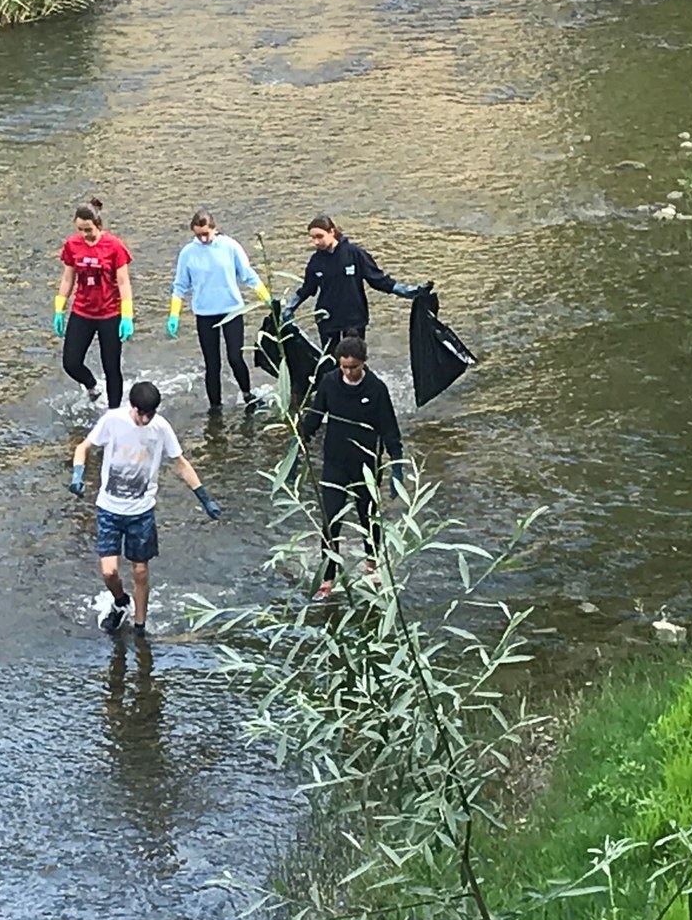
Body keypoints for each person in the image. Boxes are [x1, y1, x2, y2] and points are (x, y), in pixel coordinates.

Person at [69, 380, 222, 635]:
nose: (146, 420)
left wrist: (204, 497)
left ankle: (140, 626)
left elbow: (180, 463)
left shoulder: (160, 428)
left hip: (141, 511)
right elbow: (83, 447)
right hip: (109, 508)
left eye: (151, 415)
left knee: (140, 570)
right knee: (109, 572)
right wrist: (77, 474)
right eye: (142, 414)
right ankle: (120, 602)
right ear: (133, 407)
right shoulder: (113, 420)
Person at [298, 335, 404, 601]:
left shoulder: (376, 388)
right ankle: (328, 577)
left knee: (369, 518)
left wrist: (396, 466)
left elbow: (389, 429)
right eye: (344, 367)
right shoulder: (330, 383)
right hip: (334, 464)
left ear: (363, 363)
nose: (348, 372)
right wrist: (297, 443)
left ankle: (372, 564)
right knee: (331, 521)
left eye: (353, 367)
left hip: (366, 465)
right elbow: (314, 416)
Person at [281, 214, 430, 356]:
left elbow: (378, 280)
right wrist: (289, 308)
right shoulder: (315, 262)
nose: (316, 242)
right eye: (312, 238)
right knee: (331, 362)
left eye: (320, 236)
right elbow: (307, 289)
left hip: (354, 318)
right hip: (327, 320)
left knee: (354, 359)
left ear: (331, 232)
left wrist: (408, 291)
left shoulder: (355, 254)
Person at [166, 211, 271, 410]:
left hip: (231, 310)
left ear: (214, 228)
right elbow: (180, 285)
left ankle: (247, 394)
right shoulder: (188, 253)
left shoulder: (230, 247)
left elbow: (248, 275)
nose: (203, 239)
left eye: (206, 233)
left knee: (235, 357)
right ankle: (215, 406)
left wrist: (267, 299)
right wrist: (174, 314)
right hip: (205, 314)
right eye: (199, 235)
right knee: (212, 364)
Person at [55, 198, 133, 409]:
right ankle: (91, 385)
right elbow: (68, 278)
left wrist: (127, 316)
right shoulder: (72, 245)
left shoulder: (114, 246)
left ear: (98, 225)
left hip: (109, 313)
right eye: (80, 229)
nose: (84, 234)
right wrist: (59, 309)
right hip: (83, 311)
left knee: (111, 366)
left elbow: (124, 282)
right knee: (70, 362)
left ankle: (114, 412)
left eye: (88, 229)